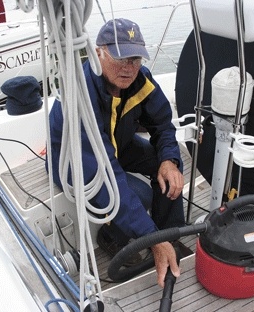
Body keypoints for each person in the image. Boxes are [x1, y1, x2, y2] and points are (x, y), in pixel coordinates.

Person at [48, 18, 189, 287]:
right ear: (98, 52)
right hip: (76, 163)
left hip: (118, 146)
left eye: (135, 58)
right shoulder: (79, 96)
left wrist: (169, 161)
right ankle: (114, 238)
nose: (129, 67)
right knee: (139, 193)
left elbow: (162, 124)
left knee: (170, 164)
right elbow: (104, 173)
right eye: (120, 57)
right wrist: (150, 237)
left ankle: (168, 235)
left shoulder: (141, 79)